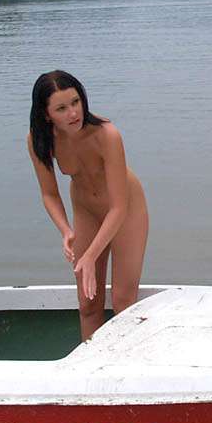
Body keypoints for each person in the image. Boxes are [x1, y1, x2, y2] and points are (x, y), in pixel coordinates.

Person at [27, 71, 149, 341]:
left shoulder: (107, 134)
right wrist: (66, 231)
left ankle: (124, 362)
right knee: (88, 303)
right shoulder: (39, 140)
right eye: (61, 108)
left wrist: (91, 255)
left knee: (123, 302)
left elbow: (118, 208)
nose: (73, 113)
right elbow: (49, 194)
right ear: (46, 114)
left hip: (126, 210)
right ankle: (91, 362)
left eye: (75, 102)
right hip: (86, 211)